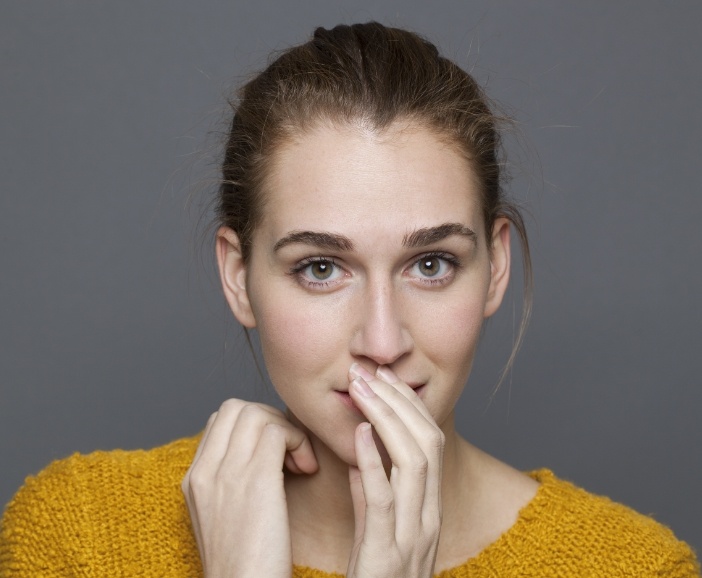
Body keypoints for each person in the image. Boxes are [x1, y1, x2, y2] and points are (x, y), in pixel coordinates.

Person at [0, 22, 698, 578]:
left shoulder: (635, 568)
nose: (383, 341)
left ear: (495, 267)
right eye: (321, 269)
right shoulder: (75, 537)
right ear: (240, 276)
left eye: (430, 263)